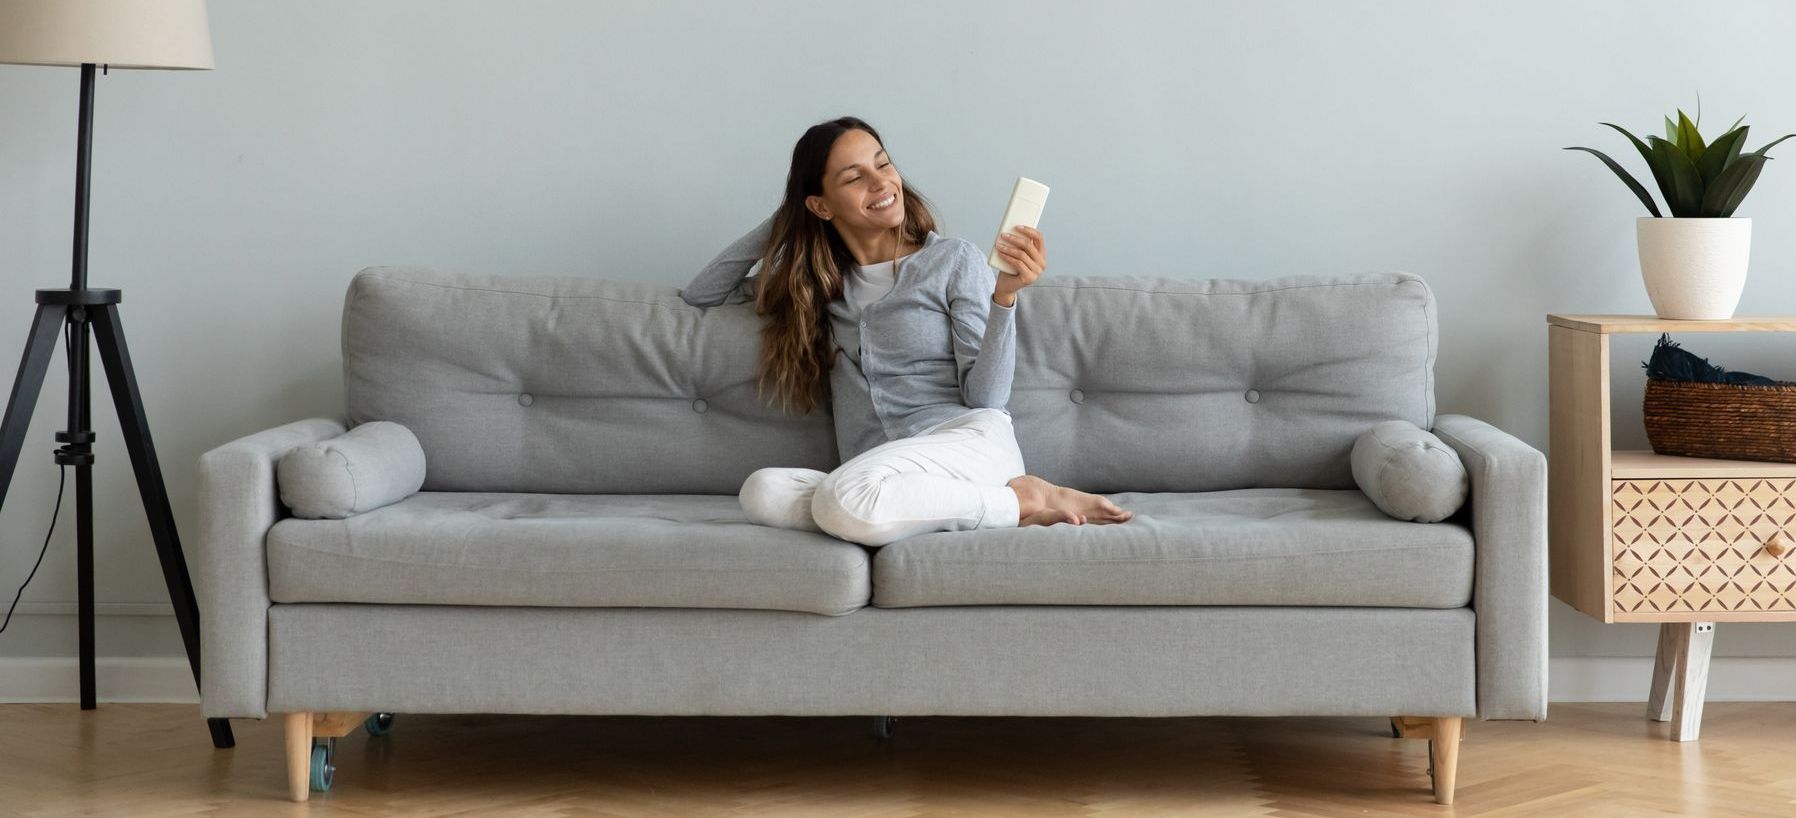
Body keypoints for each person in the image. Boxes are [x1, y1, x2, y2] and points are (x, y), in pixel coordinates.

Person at [682, 116, 1131, 546]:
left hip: (966, 444)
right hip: (883, 475)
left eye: (883, 164)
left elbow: (987, 397)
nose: (881, 183)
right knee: (762, 491)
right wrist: (788, 220)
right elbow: (704, 292)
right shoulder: (818, 285)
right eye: (854, 177)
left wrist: (1004, 298)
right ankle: (945, 511)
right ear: (821, 205)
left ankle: (1018, 500)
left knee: (844, 497)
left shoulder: (952, 260)